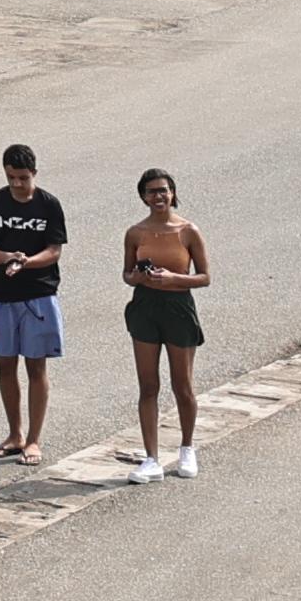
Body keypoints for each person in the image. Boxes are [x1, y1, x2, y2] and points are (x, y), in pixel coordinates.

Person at [0, 144, 71, 460]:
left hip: (39, 294)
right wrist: (7, 258)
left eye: (23, 178)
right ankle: (14, 434)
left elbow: (54, 251)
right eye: (12, 177)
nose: (17, 184)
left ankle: (33, 439)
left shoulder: (48, 205)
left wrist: (26, 262)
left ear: (35, 174)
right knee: (6, 366)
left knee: (36, 367)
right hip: (2, 294)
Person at [121, 166, 214, 478]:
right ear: (143, 197)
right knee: (148, 386)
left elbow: (204, 277)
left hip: (178, 306)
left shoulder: (188, 231)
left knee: (182, 384)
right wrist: (138, 276)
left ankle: (187, 449)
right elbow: (127, 275)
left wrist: (174, 277)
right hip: (146, 306)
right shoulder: (135, 233)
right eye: (151, 191)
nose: (158, 196)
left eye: (163, 190)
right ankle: (151, 458)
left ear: (173, 193)